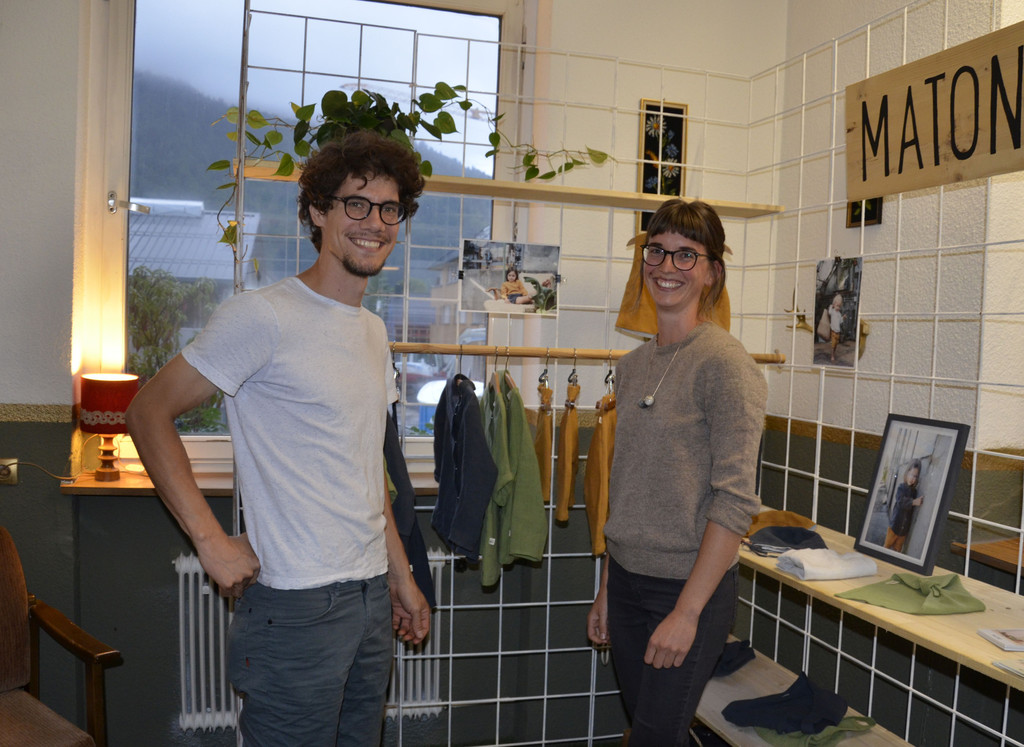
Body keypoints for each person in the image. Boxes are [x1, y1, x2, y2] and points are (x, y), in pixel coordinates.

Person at [126, 130, 430, 746]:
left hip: (370, 596)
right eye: (356, 204)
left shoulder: (373, 332)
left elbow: (366, 469)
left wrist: (400, 575)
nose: (374, 223)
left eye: (389, 209)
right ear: (318, 211)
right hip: (295, 607)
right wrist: (210, 542)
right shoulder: (262, 315)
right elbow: (147, 412)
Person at [586, 199, 767, 746]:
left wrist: (687, 613)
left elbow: (734, 502)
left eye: (687, 255)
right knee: (649, 729)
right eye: (657, 251)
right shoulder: (632, 367)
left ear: (713, 272)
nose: (667, 266)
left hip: (688, 590)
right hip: (627, 585)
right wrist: (607, 588)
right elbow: (626, 489)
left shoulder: (726, 365)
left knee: (654, 737)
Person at [884, 459, 924, 553]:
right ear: (906, 473)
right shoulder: (901, 487)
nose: (912, 478)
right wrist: (913, 502)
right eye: (911, 475)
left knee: (897, 550)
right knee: (886, 547)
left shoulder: (914, 492)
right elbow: (900, 501)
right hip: (894, 526)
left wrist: (915, 501)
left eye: (915, 476)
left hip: (903, 531)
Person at [828, 293, 844, 363]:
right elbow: (829, 312)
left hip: (838, 332)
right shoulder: (833, 311)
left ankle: (833, 353)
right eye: (837, 306)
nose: (838, 308)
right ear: (834, 305)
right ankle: (832, 355)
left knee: (836, 345)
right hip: (833, 331)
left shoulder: (839, 313)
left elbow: (840, 321)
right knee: (833, 344)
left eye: (839, 306)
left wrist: (843, 318)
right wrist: (831, 306)